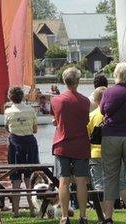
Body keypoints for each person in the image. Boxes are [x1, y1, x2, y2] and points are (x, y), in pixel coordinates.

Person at [52, 67, 90, 224]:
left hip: (62, 144)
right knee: (81, 181)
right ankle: (83, 216)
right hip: (81, 144)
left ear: (63, 81)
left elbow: (55, 120)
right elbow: (85, 121)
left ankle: (64, 216)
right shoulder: (85, 101)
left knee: (63, 181)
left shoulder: (56, 100)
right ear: (78, 81)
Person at [5, 85, 39, 216]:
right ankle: (32, 209)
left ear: (10, 98)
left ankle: (16, 211)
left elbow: (7, 128)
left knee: (15, 179)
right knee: (29, 178)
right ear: (23, 96)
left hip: (15, 143)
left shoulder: (8, 111)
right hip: (30, 143)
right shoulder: (31, 110)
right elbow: (35, 130)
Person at [100, 63, 126, 223]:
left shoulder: (108, 92)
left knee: (110, 177)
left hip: (110, 136)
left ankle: (108, 217)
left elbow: (102, 110)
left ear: (116, 74)